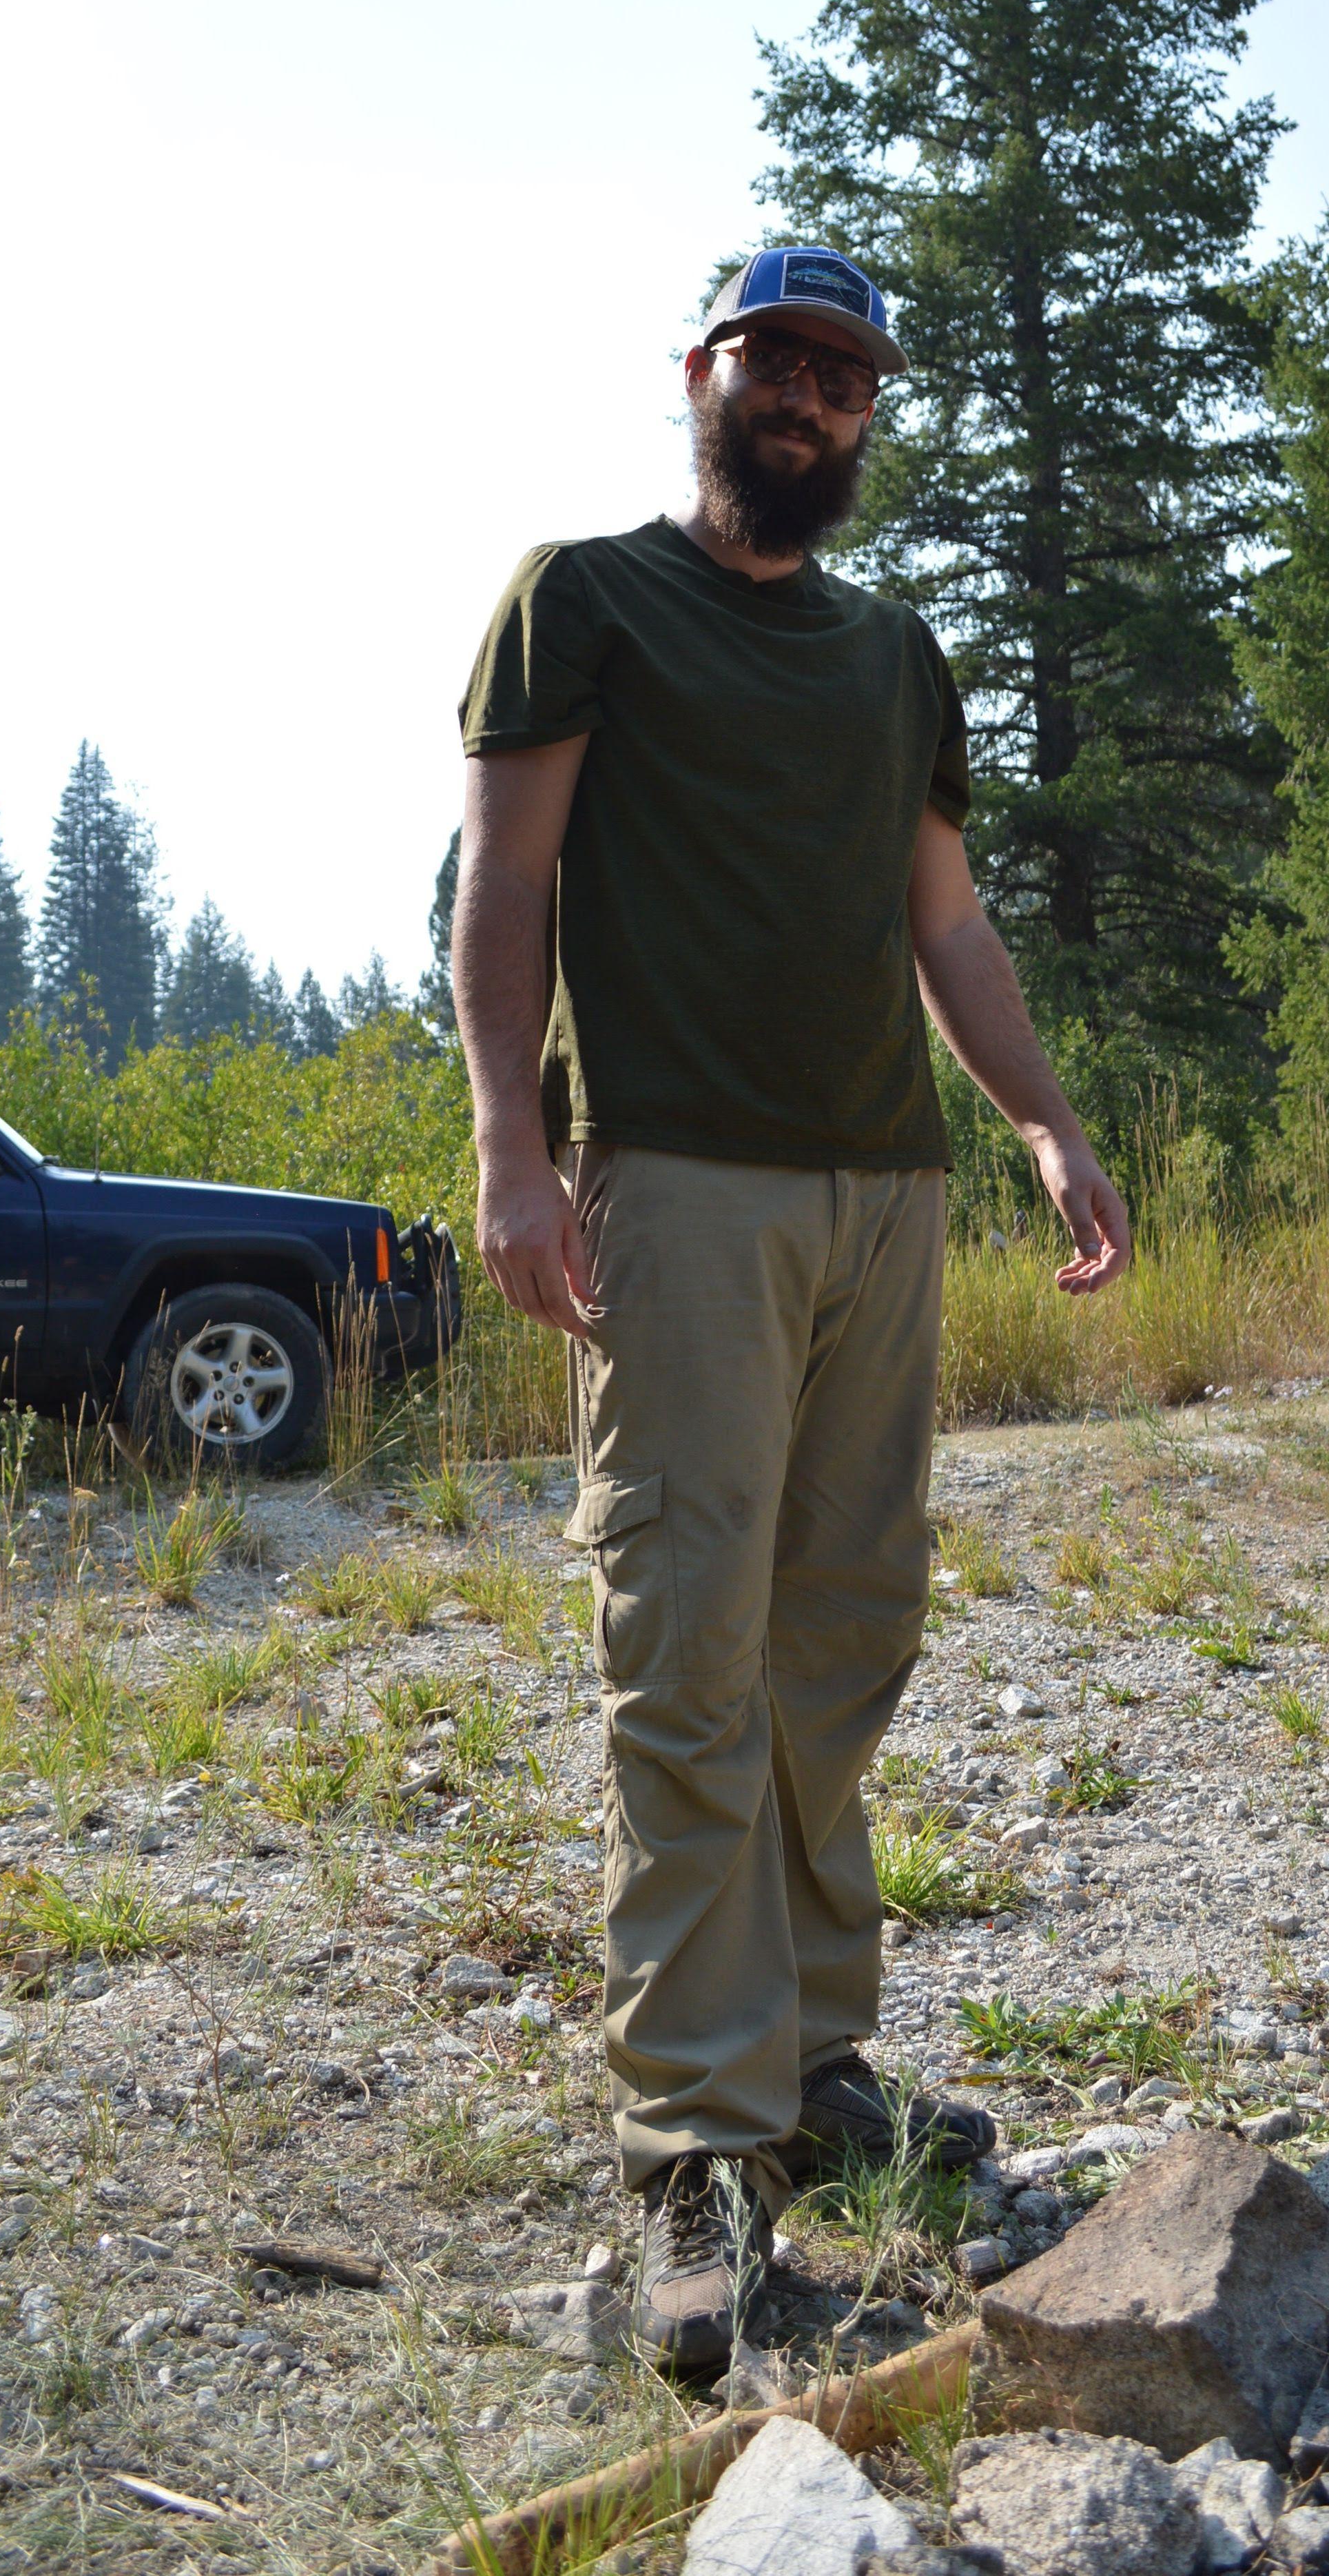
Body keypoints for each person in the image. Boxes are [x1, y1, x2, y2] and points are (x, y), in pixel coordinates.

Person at [451, 244, 1133, 2375]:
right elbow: (513, 886)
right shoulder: (586, 600)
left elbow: (950, 922)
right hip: (678, 1185)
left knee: (840, 1636)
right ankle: (690, 2145)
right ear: (702, 371)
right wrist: (511, 1148)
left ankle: (818, 2070)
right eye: (778, 361)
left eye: (844, 379)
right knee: (687, 1637)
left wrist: (1038, 1120)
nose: (810, 401)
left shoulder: (895, 657)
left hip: (883, 1195)